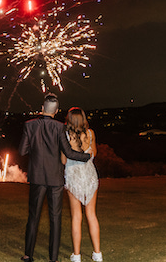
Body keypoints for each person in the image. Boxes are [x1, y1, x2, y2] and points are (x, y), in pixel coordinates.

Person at [19, 94, 92, 262]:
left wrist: (37, 151)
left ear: (42, 108)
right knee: (55, 219)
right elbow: (68, 153)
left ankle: (28, 255)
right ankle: (53, 259)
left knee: (33, 217)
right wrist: (87, 157)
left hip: (37, 177)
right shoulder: (60, 127)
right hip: (55, 179)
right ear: (56, 111)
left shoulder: (29, 125)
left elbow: (23, 151)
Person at [61, 108, 102, 262]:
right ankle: (97, 253)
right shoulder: (91, 134)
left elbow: (64, 160)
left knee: (76, 217)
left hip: (74, 177)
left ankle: (77, 255)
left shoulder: (65, 136)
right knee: (91, 215)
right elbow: (94, 153)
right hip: (90, 176)